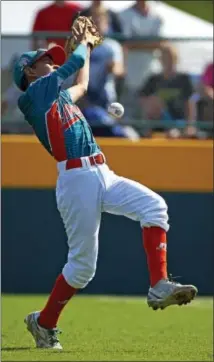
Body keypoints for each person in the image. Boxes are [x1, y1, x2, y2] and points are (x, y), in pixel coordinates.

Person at [13, 21, 197, 350]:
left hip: (101, 171)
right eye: (46, 61)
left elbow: (80, 84)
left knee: (155, 207)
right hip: (75, 179)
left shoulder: (56, 97)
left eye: (54, 60)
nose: (53, 63)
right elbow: (76, 65)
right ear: (28, 71)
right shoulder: (35, 96)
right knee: (82, 268)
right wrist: (83, 45)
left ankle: (158, 284)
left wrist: (89, 49)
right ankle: (44, 323)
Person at [79, 7, 138, 139]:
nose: (97, 25)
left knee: (108, 131)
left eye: (100, 21)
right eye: (93, 21)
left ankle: (124, 133)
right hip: (85, 100)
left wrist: (113, 68)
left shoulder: (112, 46)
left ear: (107, 24)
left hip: (107, 102)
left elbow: (119, 70)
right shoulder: (81, 47)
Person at [139, 45, 194, 137]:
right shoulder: (153, 79)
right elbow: (143, 100)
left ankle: (172, 129)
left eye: (170, 58)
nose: (167, 61)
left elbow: (189, 103)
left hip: (178, 121)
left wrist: (190, 126)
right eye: (164, 57)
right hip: (158, 122)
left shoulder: (184, 79)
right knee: (153, 100)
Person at [118, 0, 165, 91]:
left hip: (152, 72)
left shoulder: (157, 16)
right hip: (130, 75)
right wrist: (150, 44)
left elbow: (160, 43)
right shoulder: (123, 15)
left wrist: (136, 43)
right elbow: (126, 43)